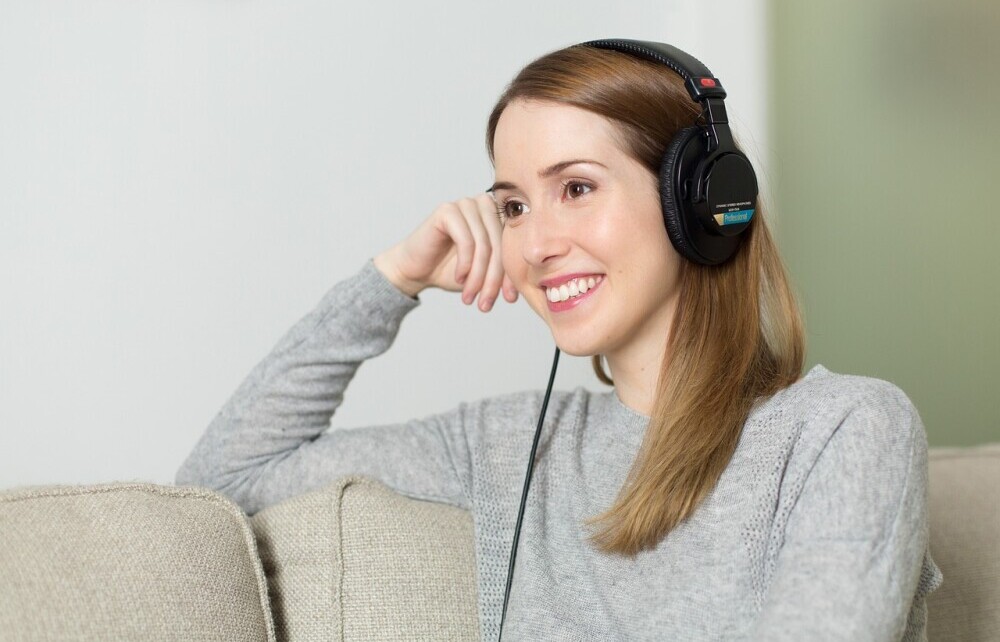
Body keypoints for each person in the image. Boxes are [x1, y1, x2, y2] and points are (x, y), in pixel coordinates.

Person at [176, 39, 943, 641]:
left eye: (576, 189)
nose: (535, 244)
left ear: (704, 203)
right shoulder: (511, 444)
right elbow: (225, 478)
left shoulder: (845, 429)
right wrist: (392, 280)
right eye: (512, 206)